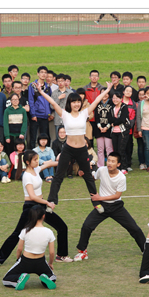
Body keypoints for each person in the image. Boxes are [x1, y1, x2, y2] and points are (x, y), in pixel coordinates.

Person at [35, 80, 112, 213]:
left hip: (82, 149)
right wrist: (41, 92)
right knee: (58, 176)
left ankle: (96, 203)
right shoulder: (65, 114)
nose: (76, 104)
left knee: (88, 176)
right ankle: (51, 202)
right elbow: (53, 103)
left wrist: (107, 90)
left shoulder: (84, 113)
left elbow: (97, 100)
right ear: (69, 103)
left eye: (78, 102)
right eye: (73, 102)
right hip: (68, 149)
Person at [0, 150, 73, 268]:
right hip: (30, 207)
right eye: (35, 160)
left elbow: (48, 164)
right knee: (17, 233)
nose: (37, 162)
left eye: (37, 159)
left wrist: (64, 161)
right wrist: (47, 203)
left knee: (62, 227)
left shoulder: (36, 170)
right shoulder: (27, 176)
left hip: (41, 205)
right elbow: (32, 196)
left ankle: (61, 255)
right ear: (27, 162)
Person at [74, 152, 146, 262]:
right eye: (109, 160)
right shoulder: (102, 170)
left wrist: (99, 198)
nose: (110, 163)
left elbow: (117, 195)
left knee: (134, 228)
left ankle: (146, 249)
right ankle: (83, 252)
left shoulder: (121, 178)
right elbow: (93, 178)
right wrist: (84, 174)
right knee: (87, 226)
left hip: (116, 207)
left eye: (113, 161)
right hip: (102, 206)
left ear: (118, 164)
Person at [2, 205, 57, 290]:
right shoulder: (49, 232)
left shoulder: (25, 230)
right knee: (52, 277)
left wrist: (18, 259)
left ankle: (20, 277)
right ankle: (46, 277)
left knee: (6, 279)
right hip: (41, 262)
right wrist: (50, 263)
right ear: (43, 216)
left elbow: (19, 249)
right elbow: (52, 252)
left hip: (25, 261)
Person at [93, 88, 114, 168]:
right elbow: (96, 117)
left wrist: (107, 127)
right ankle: (100, 166)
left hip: (108, 129)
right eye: (102, 93)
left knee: (109, 148)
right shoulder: (97, 104)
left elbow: (112, 117)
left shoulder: (111, 104)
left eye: (106, 93)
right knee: (100, 149)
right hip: (99, 129)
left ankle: (110, 165)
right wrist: (100, 127)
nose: (104, 95)